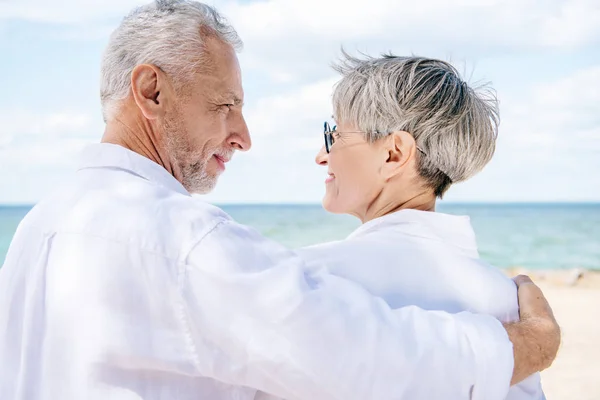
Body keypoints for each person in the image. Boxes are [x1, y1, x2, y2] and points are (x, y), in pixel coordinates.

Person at [0, 1, 559, 399]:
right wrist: (530, 343)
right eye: (226, 105)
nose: (244, 136)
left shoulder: (34, 232)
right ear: (151, 91)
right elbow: (370, 358)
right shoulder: (184, 241)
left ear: (395, 154)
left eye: (332, 135)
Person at [256, 54, 549, 400]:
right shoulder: (510, 304)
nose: (322, 154)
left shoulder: (310, 278)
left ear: (394, 153)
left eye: (335, 134)